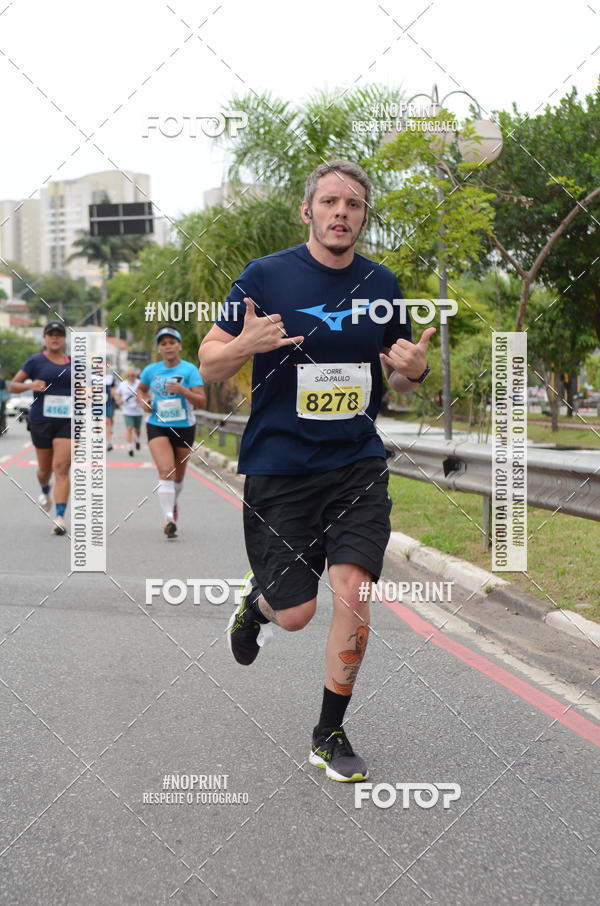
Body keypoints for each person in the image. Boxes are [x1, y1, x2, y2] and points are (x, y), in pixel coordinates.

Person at [200, 160, 434, 783]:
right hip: (280, 466)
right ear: (307, 210)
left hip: (356, 463)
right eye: (329, 201)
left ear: (363, 216)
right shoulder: (265, 277)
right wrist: (242, 346)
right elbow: (210, 366)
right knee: (296, 613)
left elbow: (401, 377)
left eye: (353, 205)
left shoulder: (383, 286)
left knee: (354, 592)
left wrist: (415, 367)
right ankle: (258, 606)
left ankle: (329, 731)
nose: (341, 213)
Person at [138, 326, 206, 538]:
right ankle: (168, 518)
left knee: (178, 476)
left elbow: (202, 402)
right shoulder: (151, 370)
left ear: (179, 346)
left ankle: (172, 502)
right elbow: (140, 390)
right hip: (157, 423)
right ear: (159, 348)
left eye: (172, 342)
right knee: (166, 470)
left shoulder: (190, 370)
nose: (168, 347)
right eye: (163, 343)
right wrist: (145, 402)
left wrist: (184, 391)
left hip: (184, 426)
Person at [9, 321, 72, 534]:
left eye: (59, 334)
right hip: (41, 422)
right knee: (45, 470)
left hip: (67, 422)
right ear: (45, 338)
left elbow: (84, 389)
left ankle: (60, 517)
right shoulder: (35, 361)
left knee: (62, 468)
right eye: (50, 334)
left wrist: (87, 394)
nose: (55, 338)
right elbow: (13, 386)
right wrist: (30, 385)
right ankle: (45, 488)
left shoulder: (74, 364)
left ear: (64, 339)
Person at [117, 366, 143, 456]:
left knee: (137, 429)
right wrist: (119, 400)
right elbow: (118, 394)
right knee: (129, 428)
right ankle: (129, 448)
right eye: (130, 375)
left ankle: (137, 439)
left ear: (135, 376)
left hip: (138, 410)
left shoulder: (140, 383)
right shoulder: (123, 384)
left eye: (133, 375)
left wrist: (140, 399)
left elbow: (145, 393)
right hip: (127, 410)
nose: (131, 377)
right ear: (127, 376)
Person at [104, 369, 117, 451]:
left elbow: (113, 390)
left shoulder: (109, 378)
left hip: (108, 403)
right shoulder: (92, 377)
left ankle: (108, 442)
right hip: (96, 404)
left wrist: (115, 394)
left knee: (108, 422)